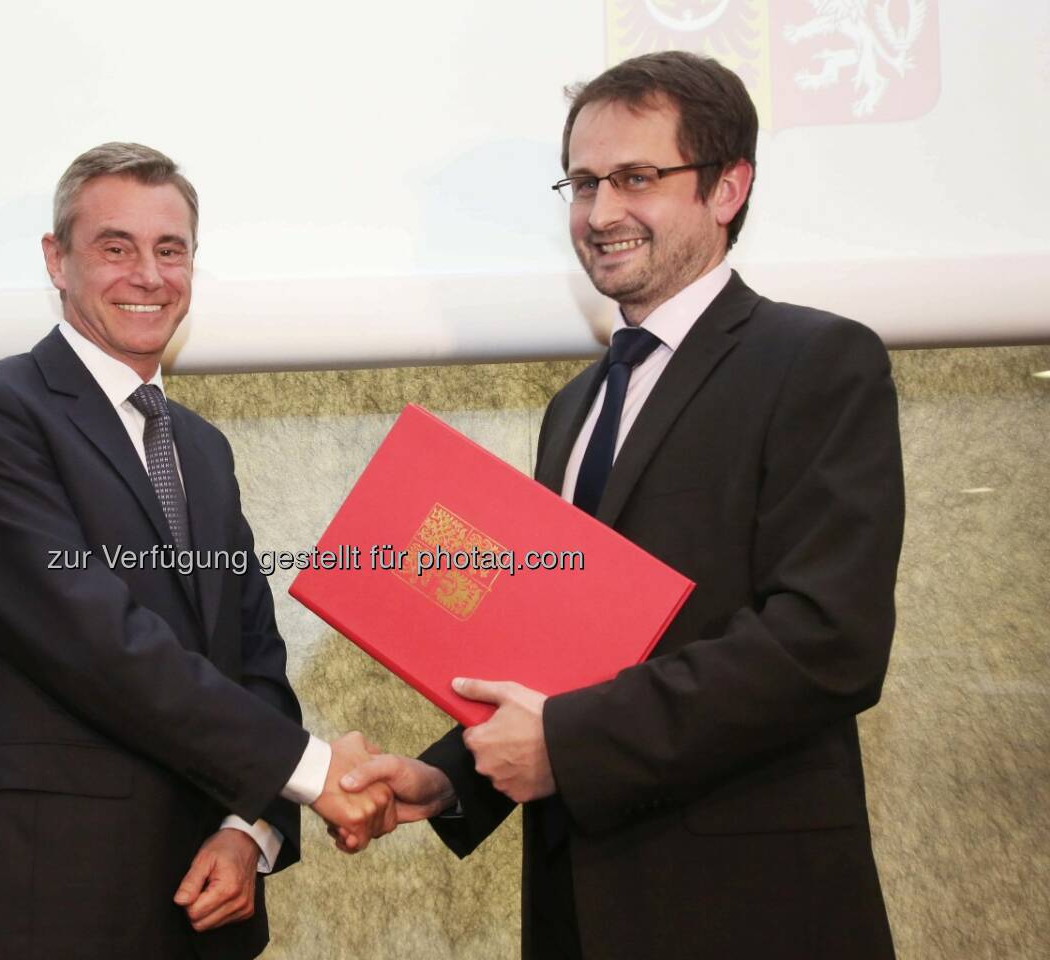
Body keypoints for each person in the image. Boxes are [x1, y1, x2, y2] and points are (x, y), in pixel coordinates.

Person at [341, 51, 905, 960]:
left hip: (750, 909)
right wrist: (448, 780)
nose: (601, 214)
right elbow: (562, 650)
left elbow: (826, 642)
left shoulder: (817, 362)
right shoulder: (575, 407)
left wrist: (564, 742)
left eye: (638, 178)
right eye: (585, 182)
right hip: (576, 912)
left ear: (728, 188)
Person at [0, 142, 389, 959]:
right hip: (52, 895)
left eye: (169, 250)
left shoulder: (201, 448)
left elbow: (254, 659)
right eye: (116, 247)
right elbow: (93, 639)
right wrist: (314, 775)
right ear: (56, 260)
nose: (148, 274)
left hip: (203, 898)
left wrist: (250, 828)